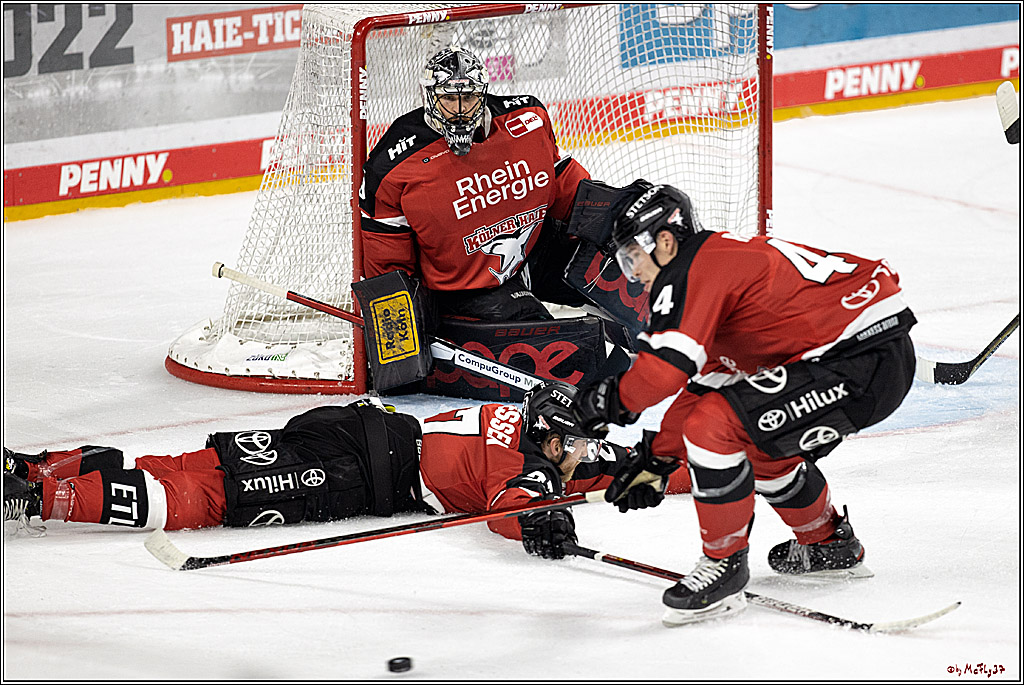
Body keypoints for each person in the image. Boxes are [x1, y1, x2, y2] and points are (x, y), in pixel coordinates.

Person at [571, 183, 918, 626]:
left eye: (631, 257)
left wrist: (601, 402)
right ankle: (828, 544)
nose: (631, 272)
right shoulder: (713, 262)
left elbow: (663, 373)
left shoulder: (691, 271)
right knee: (750, 439)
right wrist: (657, 459)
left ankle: (724, 567)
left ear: (663, 241)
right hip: (864, 354)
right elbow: (705, 385)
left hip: (859, 360)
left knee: (715, 428)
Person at [4, 390, 690, 560]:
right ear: (551, 434)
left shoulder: (524, 430)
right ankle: (41, 494)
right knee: (201, 495)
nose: (584, 453)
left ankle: (30, 466)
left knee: (198, 463)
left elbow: (609, 472)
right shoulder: (529, 463)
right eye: (576, 442)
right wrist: (540, 520)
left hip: (357, 430)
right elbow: (514, 501)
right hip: (353, 467)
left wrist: (703, 468)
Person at [359, 43, 591, 322]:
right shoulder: (392, 162)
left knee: (620, 265)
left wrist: (609, 219)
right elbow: (386, 260)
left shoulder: (527, 118)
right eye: (448, 99)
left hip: (533, 254)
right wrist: (400, 325)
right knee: (544, 342)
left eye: (468, 98)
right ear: (429, 97)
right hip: (464, 289)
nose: (460, 110)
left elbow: (568, 188)